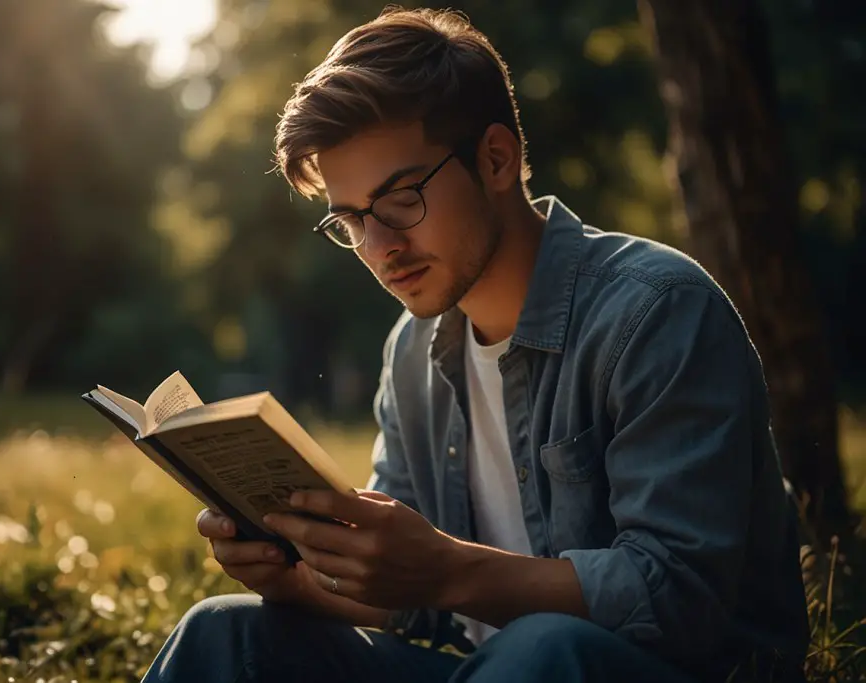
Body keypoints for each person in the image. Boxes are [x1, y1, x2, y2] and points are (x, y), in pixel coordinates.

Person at [142, 6, 809, 683]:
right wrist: (302, 578)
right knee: (225, 632)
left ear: (496, 158)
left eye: (402, 199)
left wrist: (448, 568)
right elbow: (417, 603)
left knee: (544, 647)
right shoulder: (413, 352)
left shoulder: (658, 311)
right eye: (350, 220)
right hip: (493, 671)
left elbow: (680, 599)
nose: (380, 247)